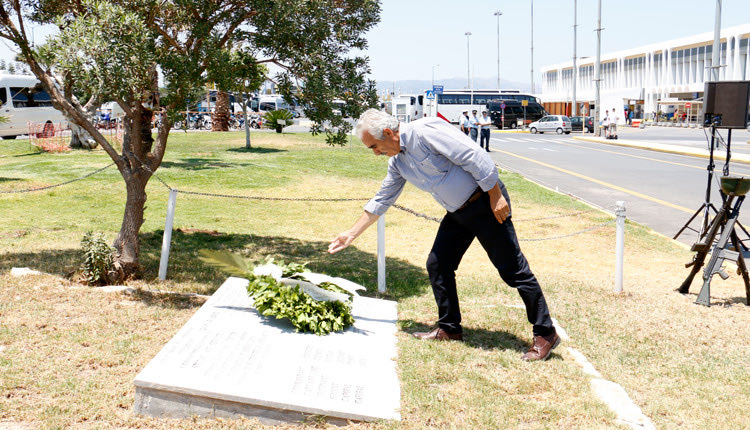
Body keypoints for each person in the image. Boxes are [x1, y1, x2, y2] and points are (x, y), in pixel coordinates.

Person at [329, 109, 560, 362]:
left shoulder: (425, 131)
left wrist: (495, 195)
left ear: (387, 133)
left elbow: (474, 156)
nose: (375, 153)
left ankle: (545, 333)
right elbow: (383, 198)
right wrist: (351, 234)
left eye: (374, 146)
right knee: (438, 264)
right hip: (457, 213)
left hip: (485, 203)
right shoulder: (397, 163)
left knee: (512, 269)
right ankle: (449, 328)